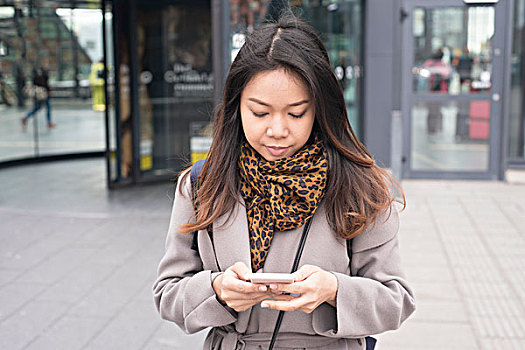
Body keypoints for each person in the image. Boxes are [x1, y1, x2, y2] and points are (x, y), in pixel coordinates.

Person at [153, 15, 415, 350]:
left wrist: (334, 290)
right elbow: (168, 293)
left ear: (320, 109)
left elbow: (396, 300)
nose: (277, 130)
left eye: (296, 113)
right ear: (237, 108)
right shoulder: (203, 183)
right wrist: (216, 289)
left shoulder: (360, 186)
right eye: (260, 113)